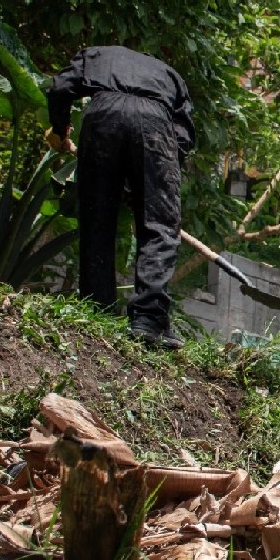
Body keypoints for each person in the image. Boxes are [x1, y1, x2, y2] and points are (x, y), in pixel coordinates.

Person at [45, 46, 194, 350]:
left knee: (96, 219)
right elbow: (184, 136)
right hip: (156, 124)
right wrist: (153, 186)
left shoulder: (97, 54)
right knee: (160, 227)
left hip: (102, 117)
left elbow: (61, 88)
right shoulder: (170, 75)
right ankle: (148, 320)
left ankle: (96, 307)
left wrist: (60, 129)